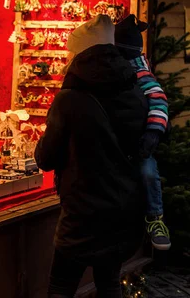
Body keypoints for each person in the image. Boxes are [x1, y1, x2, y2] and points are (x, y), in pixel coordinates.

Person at [35, 15, 148, 298]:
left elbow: (45, 158)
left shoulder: (70, 98)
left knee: (61, 287)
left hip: (83, 214)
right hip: (123, 209)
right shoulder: (134, 89)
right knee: (109, 283)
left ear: (80, 54)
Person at [115, 14, 171, 250]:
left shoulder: (142, 75)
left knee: (148, 172)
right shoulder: (112, 71)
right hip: (117, 139)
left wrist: (153, 133)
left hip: (140, 142)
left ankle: (155, 217)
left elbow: (159, 101)